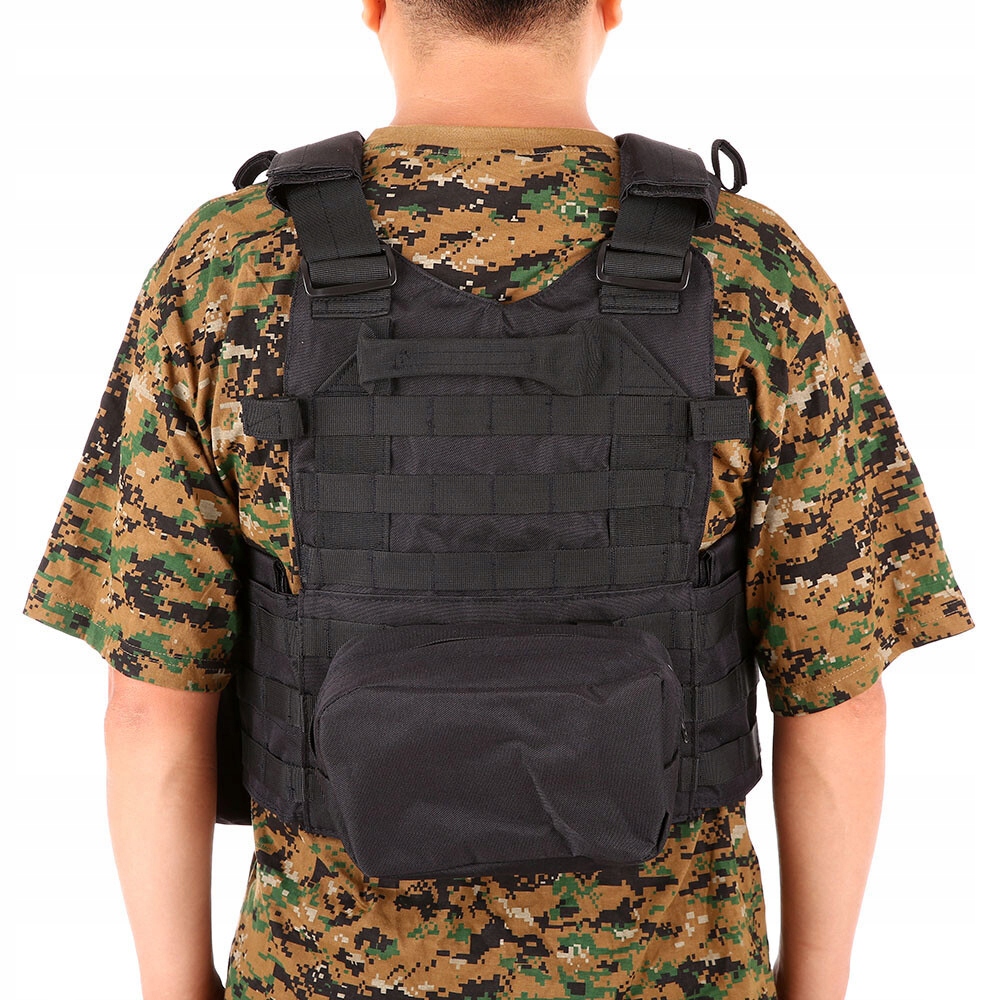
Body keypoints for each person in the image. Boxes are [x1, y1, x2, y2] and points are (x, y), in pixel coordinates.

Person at [22, 1, 973, 998]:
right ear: (608, 5)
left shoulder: (230, 270)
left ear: (375, 5)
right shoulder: (749, 270)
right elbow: (837, 691)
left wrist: (175, 988)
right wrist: (812, 985)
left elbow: (148, 703)